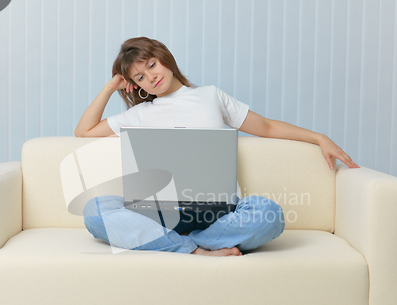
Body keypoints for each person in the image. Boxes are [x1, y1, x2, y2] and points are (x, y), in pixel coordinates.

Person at [75, 37, 359, 257]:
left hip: (219, 213)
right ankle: (194, 249)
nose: (150, 77)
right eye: (139, 78)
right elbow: (84, 131)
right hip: (161, 213)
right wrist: (111, 86)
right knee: (95, 210)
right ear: (137, 87)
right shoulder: (140, 114)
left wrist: (319, 137)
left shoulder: (210, 96)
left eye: (151, 65)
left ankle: (189, 245)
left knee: (268, 214)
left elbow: (267, 127)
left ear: (164, 58)